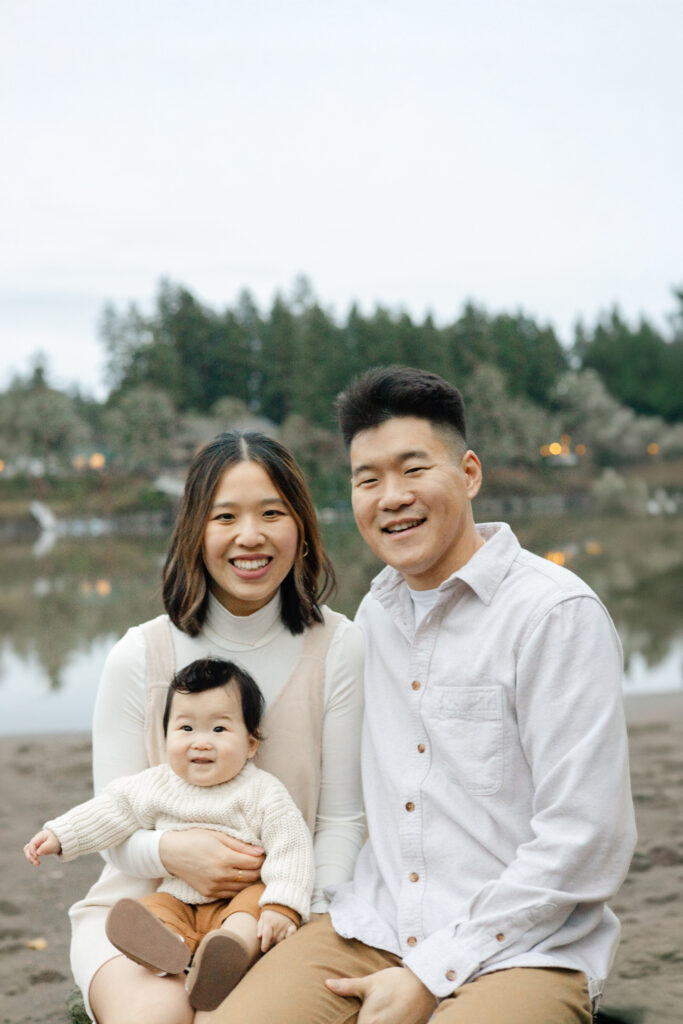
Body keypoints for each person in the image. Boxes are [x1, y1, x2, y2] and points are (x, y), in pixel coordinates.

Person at [204, 366, 637, 1024]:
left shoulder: (553, 615)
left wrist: (431, 975)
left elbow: (585, 839)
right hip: (369, 927)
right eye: (367, 479)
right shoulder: (372, 619)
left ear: (467, 473)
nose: (390, 497)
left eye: (413, 469)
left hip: (520, 944)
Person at [68, 430, 365, 1024]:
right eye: (225, 516)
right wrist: (172, 851)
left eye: (272, 513)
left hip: (289, 903)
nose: (249, 536)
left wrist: (297, 913)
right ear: (195, 532)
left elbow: (341, 821)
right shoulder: (140, 656)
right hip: (148, 907)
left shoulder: (341, 647)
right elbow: (114, 822)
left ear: (301, 527)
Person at [25, 657, 314, 1011]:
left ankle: (227, 957)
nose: (201, 742)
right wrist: (62, 834)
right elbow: (113, 809)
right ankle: (167, 951)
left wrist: (283, 904)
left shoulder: (262, 792)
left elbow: (291, 845)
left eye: (219, 730)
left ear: (251, 744)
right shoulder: (158, 784)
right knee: (153, 911)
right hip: (178, 894)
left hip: (240, 895)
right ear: (165, 738)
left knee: (250, 915)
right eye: (186, 729)